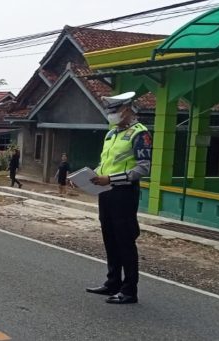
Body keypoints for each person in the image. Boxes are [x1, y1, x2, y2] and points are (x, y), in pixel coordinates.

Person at [87, 91, 152, 304]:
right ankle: (112, 282)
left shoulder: (140, 134)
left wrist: (111, 179)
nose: (111, 115)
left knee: (125, 241)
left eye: (114, 111)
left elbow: (143, 168)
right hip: (106, 192)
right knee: (110, 238)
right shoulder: (111, 134)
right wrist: (90, 176)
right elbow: (104, 162)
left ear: (126, 110)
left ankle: (129, 290)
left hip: (124, 193)